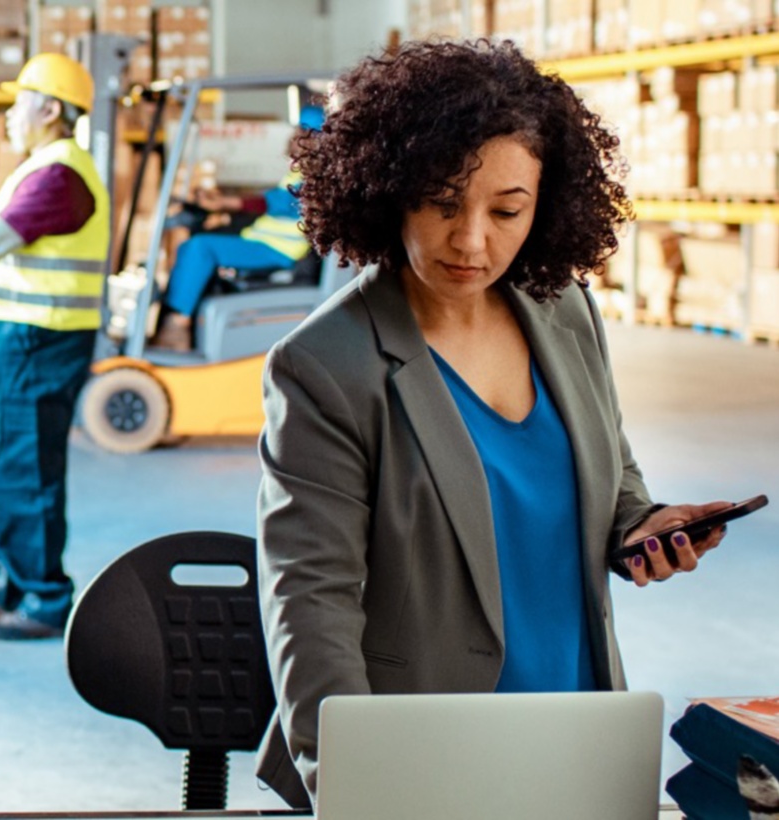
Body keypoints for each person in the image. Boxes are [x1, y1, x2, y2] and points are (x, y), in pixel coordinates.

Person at [254, 39, 731, 808]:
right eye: (442, 203)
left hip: (580, 724)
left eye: (507, 210)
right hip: (425, 750)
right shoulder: (326, 367)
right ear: (388, 192)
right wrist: (352, 782)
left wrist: (642, 526)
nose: (473, 240)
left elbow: (610, 479)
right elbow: (311, 602)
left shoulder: (563, 310)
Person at [0, 53, 109, 640]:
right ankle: (10, 586)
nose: (9, 114)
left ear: (49, 109)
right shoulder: (44, 167)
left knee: (24, 464)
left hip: (42, 338)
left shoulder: (58, 176)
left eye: (19, 100)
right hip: (24, 336)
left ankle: (45, 601)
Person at [152, 105, 325, 351]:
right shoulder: (299, 174)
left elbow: (275, 202)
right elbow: (271, 198)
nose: (293, 138)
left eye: (301, 132)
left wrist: (226, 202)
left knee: (200, 248)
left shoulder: (315, 180)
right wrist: (220, 205)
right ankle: (181, 322)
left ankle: (177, 327)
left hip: (278, 251)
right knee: (202, 242)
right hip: (266, 243)